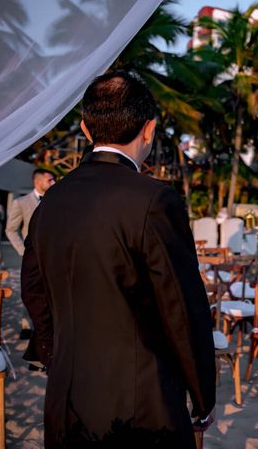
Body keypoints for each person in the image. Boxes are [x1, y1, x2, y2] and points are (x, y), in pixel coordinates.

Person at [21, 71, 216, 448]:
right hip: (141, 407)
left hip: (65, 400)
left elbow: (33, 288)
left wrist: (54, 355)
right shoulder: (155, 199)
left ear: (85, 129)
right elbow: (182, 308)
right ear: (149, 129)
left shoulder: (51, 201)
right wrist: (203, 395)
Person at [6, 168, 56, 339]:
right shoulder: (21, 202)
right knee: (29, 290)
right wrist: (23, 251)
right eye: (50, 180)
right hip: (31, 257)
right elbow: (11, 230)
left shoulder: (56, 201)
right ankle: (27, 326)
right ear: (38, 182)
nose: (53, 183)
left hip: (52, 256)